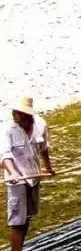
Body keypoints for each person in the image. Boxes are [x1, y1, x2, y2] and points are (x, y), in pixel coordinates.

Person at [1, 96, 54, 251]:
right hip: (16, 179)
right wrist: (12, 172)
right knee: (17, 221)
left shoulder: (40, 124)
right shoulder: (8, 129)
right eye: (15, 113)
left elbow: (44, 148)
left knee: (27, 217)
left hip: (34, 176)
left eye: (21, 114)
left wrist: (49, 167)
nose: (17, 117)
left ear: (29, 115)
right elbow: (4, 155)